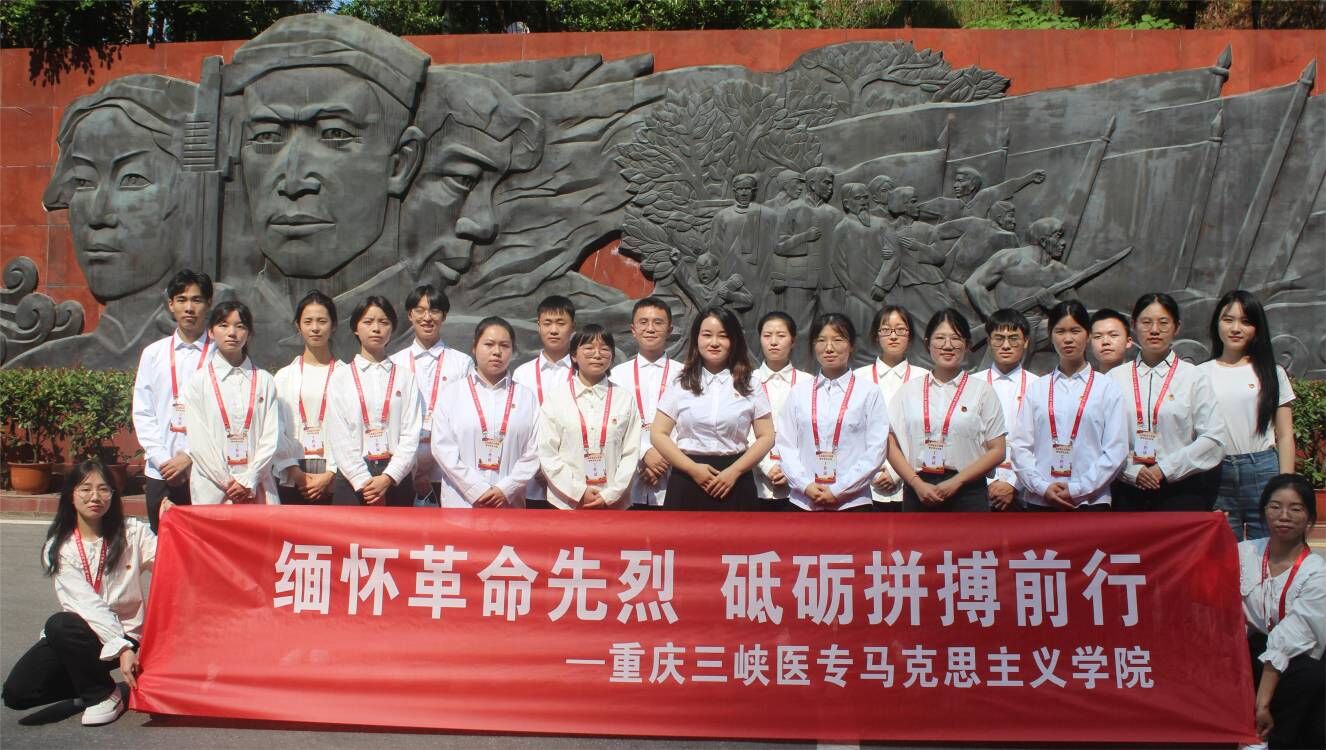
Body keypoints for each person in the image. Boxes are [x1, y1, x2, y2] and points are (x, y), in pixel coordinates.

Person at [2, 462, 154, 726]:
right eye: (85, 489)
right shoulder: (60, 547)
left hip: (128, 632)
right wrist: (121, 649)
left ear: (113, 495)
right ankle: (92, 684)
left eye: (103, 489)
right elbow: (85, 605)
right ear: (71, 495)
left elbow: (171, 559)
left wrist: (173, 520)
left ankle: (103, 694)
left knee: (59, 624)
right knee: (18, 692)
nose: (95, 497)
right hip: (82, 637)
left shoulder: (132, 532)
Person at [1109, 293, 1226, 512]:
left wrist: (1165, 468)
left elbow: (1213, 438)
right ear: (1133, 326)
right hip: (1127, 491)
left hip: (1181, 490)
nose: (1154, 330)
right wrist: (1131, 471)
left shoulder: (1194, 377)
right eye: (1146, 322)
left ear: (1177, 327)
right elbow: (1102, 438)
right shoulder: (1115, 379)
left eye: (1163, 323)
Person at [652, 306, 774, 511]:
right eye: (707, 335)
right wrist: (692, 469)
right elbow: (658, 433)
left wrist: (735, 471)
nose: (714, 342)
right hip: (687, 478)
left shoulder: (750, 383)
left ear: (734, 340)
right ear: (696, 338)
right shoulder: (680, 382)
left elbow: (766, 436)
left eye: (723, 336)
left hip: (735, 480)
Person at [1009, 301, 1128, 511]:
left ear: (1088, 335)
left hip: (1091, 501)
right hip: (1041, 501)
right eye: (1060, 331)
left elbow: (1115, 450)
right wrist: (1042, 487)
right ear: (1050, 335)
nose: (1068, 339)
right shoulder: (1037, 389)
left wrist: (1077, 489)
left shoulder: (1107, 388)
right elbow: (1021, 446)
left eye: (1075, 331)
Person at [1200, 291, 1297, 540]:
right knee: (1224, 550)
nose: (1235, 328)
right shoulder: (1198, 375)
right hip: (1216, 472)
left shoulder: (1272, 373)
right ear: (1216, 323)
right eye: (1228, 319)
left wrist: (1286, 485)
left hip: (1263, 470)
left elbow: (1286, 435)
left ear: (1257, 328)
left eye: (1245, 321)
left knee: (1269, 547)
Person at [888, 309, 1006, 512]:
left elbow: (998, 449)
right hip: (919, 490)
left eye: (956, 338)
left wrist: (957, 481)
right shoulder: (908, 391)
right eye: (940, 338)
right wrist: (915, 483)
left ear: (967, 345)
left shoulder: (982, 391)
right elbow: (890, 443)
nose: (948, 345)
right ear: (927, 344)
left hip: (968, 491)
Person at [1238, 474, 1323, 749]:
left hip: (1295, 658)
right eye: (1275, 506)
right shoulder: (1243, 553)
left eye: (1295, 509)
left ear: (1309, 518)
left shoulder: (1317, 573)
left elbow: (1291, 637)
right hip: (1250, 649)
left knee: (1310, 676)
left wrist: (1262, 703)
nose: (1283, 516)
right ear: (1263, 510)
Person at [775, 314, 889, 512]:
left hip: (852, 503)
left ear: (851, 345)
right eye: (821, 340)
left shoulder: (869, 393)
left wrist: (838, 490)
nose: (829, 348)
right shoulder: (798, 393)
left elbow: (876, 449)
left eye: (838, 340)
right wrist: (805, 485)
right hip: (804, 502)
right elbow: (786, 445)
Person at [131, 270, 213, 532]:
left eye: (196, 300)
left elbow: (223, 419)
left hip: (206, 471)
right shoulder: (153, 354)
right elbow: (143, 412)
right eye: (181, 299)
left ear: (209, 304)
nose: (189, 307)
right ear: (170, 305)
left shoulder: (220, 355)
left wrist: (189, 455)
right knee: (163, 544)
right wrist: (161, 459)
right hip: (161, 471)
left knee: (203, 546)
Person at [430, 318, 540, 508]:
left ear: (513, 350)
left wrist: (506, 489)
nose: (496, 352)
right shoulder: (452, 394)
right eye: (489, 344)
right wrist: (476, 489)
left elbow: (535, 451)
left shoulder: (526, 397)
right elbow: (442, 449)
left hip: (508, 505)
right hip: (461, 504)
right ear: (474, 347)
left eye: (504, 345)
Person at [327, 297, 422, 507]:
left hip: (396, 480)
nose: (376, 329)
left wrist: (388, 477)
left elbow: (411, 433)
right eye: (368, 322)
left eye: (384, 322)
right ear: (355, 328)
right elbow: (339, 436)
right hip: (352, 482)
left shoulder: (406, 377)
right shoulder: (340, 378)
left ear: (392, 328)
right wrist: (363, 481)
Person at [181, 302, 280, 506]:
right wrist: (227, 482)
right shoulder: (198, 382)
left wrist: (249, 479)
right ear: (210, 332)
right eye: (223, 325)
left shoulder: (265, 380)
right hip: (213, 490)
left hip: (258, 487)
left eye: (240, 326)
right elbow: (199, 441)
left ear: (249, 334)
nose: (232, 333)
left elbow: (271, 437)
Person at [537, 325, 641, 510]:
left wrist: (611, 494)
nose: (597, 354)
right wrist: (578, 492)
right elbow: (547, 452)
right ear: (574, 356)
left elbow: (631, 453)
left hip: (614, 505)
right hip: (566, 505)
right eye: (589, 348)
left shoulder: (624, 399)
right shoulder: (556, 398)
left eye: (604, 349)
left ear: (612, 356)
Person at [389, 285, 474, 505]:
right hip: (402, 469)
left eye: (434, 311)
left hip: (448, 470)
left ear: (444, 316)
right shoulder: (394, 363)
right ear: (410, 315)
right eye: (420, 310)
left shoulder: (462, 363)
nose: (427, 317)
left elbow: (467, 417)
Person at [273, 291, 354, 505]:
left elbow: (353, 430)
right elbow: (275, 429)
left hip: (337, 480)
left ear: (333, 325)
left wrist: (330, 474)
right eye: (308, 321)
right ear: (298, 326)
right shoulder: (284, 377)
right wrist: (296, 473)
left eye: (322, 321)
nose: (315, 328)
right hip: (293, 479)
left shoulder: (347, 375)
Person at [855, 305, 929, 511]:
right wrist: (873, 472)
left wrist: (897, 473)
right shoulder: (858, 378)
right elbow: (850, 433)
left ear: (910, 335)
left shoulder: (924, 378)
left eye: (901, 330)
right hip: (864, 485)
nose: (893, 336)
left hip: (912, 484)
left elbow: (929, 433)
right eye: (886, 330)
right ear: (876, 335)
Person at [609, 297, 681, 509]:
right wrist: (643, 453)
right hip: (628, 479)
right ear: (633, 329)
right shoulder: (616, 375)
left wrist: (664, 456)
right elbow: (612, 424)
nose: (650, 328)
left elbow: (691, 425)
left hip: (673, 476)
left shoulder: (685, 375)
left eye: (658, 322)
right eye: (643, 322)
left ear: (669, 330)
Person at [512, 295, 576, 509]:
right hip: (531, 478)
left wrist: (557, 468)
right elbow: (518, 425)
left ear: (573, 327)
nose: (554, 330)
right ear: (538, 326)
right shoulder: (522, 374)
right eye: (547, 323)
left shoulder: (583, 373)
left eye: (561, 323)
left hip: (572, 476)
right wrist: (538, 463)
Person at [976, 308, 1041, 511]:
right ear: (989, 341)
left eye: (1013, 338)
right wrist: (988, 483)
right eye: (999, 338)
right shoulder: (972, 384)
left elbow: (1042, 442)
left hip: (1024, 490)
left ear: (1026, 341)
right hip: (978, 487)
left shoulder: (1038, 386)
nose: (1006, 345)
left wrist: (1014, 483)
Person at [751, 312, 811, 510]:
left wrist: (790, 470)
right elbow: (741, 431)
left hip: (800, 489)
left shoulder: (808, 383)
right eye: (767, 335)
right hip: (754, 484)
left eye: (781, 335)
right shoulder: (746, 382)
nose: (774, 342)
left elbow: (813, 434)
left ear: (793, 341)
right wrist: (766, 466)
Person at [1090, 308, 1133, 373]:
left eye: (1113, 335)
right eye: (1098, 336)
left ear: (1128, 342)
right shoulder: (1084, 379)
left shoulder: (1143, 378)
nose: (1105, 342)